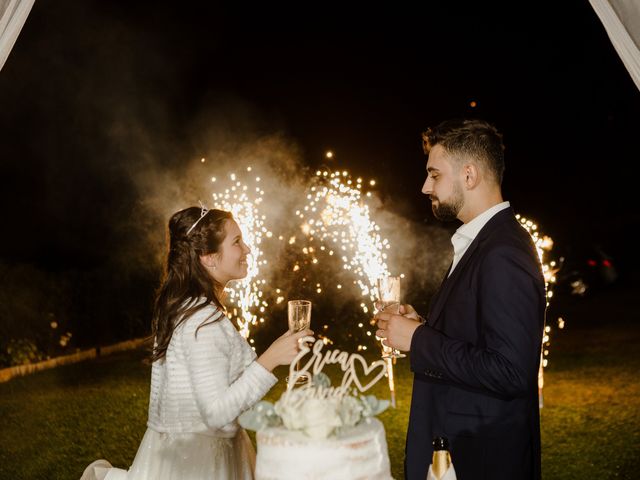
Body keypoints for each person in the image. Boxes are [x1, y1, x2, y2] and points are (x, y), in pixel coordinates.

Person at [81, 205, 312, 480]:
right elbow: (216, 413)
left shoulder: (189, 307)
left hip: (184, 452)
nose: (247, 249)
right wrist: (270, 359)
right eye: (237, 242)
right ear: (209, 258)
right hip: (200, 464)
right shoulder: (202, 322)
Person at [375, 119, 546, 480]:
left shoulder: (503, 252)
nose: (425, 187)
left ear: (469, 176)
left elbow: (511, 371)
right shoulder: (483, 242)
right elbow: (477, 338)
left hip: (481, 457)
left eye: (434, 175)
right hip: (459, 447)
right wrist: (423, 327)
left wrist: (419, 340)